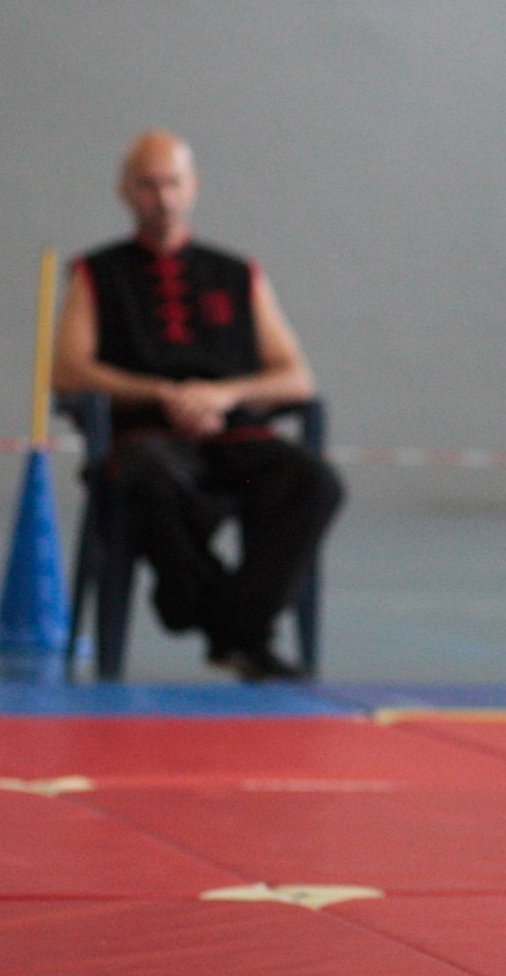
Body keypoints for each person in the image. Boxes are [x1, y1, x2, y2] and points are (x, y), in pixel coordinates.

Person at [51, 131, 343, 682]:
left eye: (173, 184)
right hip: (146, 439)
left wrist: (222, 395)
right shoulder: (96, 274)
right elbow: (68, 371)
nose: (161, 199)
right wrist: (162, 394)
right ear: (124, 190)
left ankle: (222, 623)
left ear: (194, 187)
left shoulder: (237, 273)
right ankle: (228, 627)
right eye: (148, 185)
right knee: (147, 479)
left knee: (313, 482)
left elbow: (296, 377)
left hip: (234, 437)